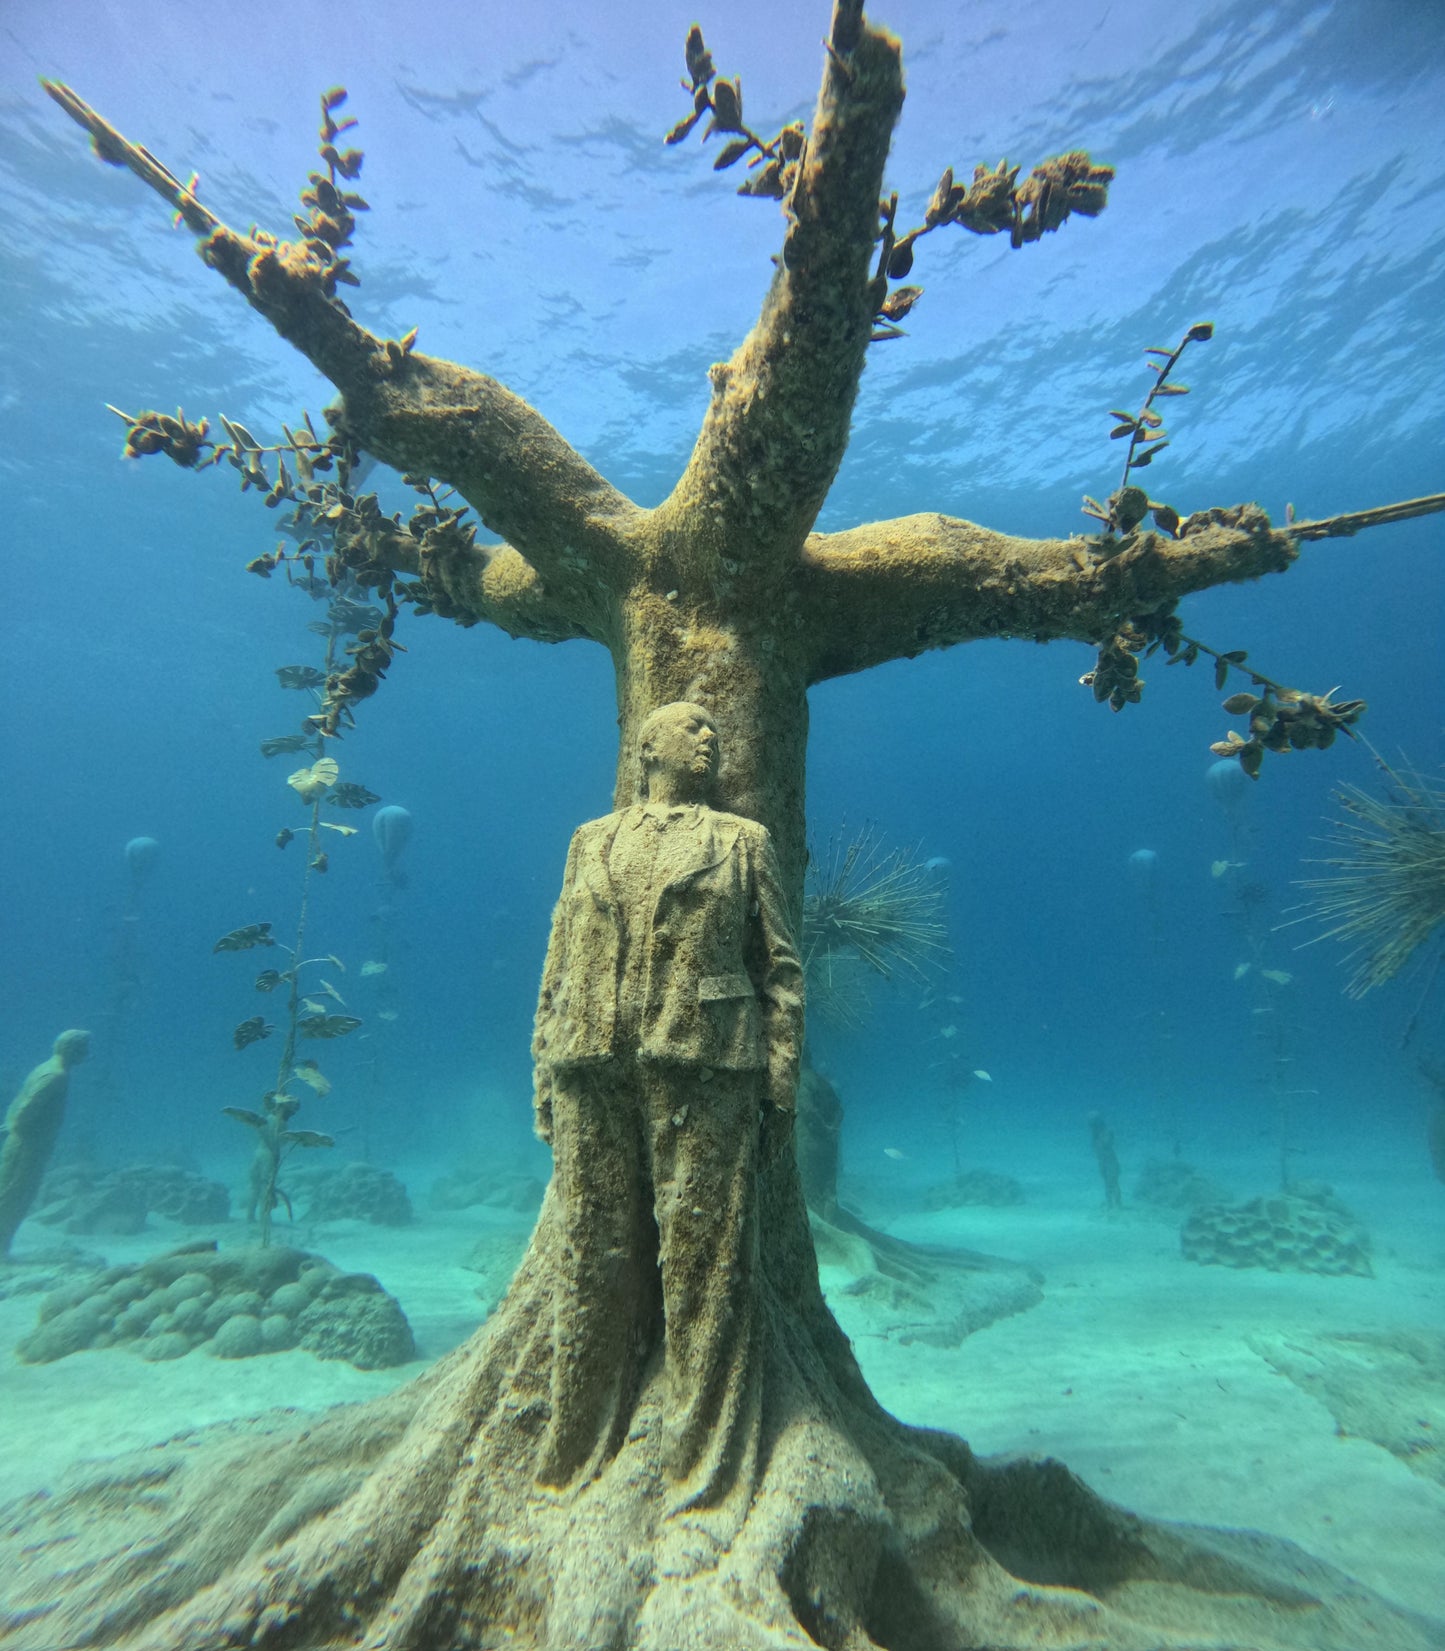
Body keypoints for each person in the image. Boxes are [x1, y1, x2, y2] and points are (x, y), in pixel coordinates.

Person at [531, 701, 803, 1504]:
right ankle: (575, 1441)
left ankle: (702, 1464)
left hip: (707, 1065)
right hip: (590, 1064)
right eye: (690, 725)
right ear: (646, 744)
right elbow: (556, 962)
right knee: (590, 1255)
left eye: (715, 728)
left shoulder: (741, 842)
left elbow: (779, 969)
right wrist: (543, 1071)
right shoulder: (590, 839)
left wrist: (779, 1081)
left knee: (706, 1263)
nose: (709, 734)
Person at [0, 1029, 90, 1259]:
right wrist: (23, 1133)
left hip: (24, 1143)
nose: (87, 1053)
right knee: (15, 1195)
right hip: (28, 1146)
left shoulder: (45, 1068)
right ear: (72, 1049)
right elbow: (25, 1110)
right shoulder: (56, 1076)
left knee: (10, 1192)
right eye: (84, 1048)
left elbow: (18, 1104)